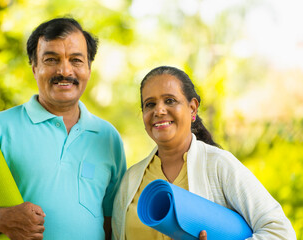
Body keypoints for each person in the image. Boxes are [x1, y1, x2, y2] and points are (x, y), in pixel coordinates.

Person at [0, 17, 126, 240]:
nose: (65, 71)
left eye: (76, 60)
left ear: (88, 68)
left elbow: (112, 223)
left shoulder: (108, 138)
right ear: (34, 67)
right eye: (51, 59)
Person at [111, 66, 296, 240]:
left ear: (192, 108)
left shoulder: (218, 164)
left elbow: (281, 232)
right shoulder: (131, 180)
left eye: (170, 101)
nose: (159, 110)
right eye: (150, 104)